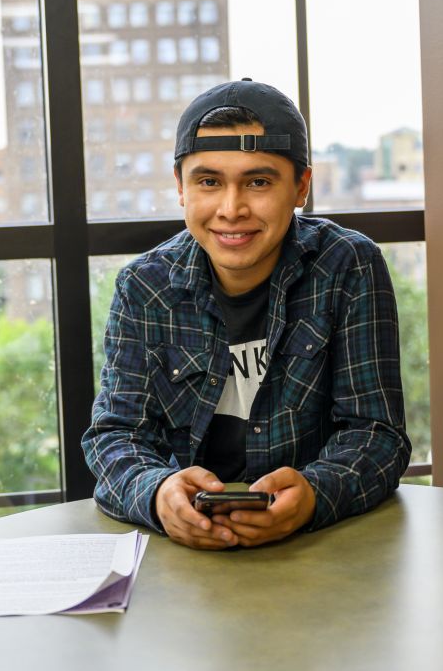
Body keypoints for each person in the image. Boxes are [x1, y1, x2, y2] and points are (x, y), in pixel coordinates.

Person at [82, 78, 411, 550]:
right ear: (180, 187)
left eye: (258, 182)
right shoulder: (144, 288)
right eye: (209, 182)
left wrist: (315, 494)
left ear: (300, 187)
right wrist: (157, 495)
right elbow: (114, 436)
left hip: (319, 550)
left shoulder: (348, 268)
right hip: (182, 555)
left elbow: (377, 433)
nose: (231, 209)